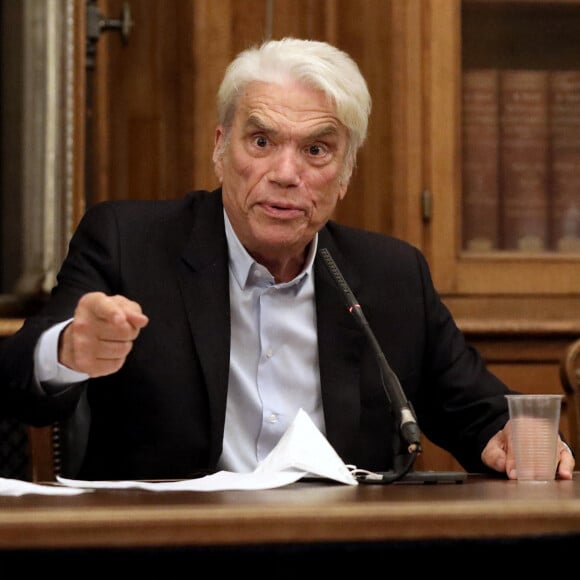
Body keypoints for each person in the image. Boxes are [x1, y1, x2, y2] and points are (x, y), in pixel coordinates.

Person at [0, 37, 573, 481]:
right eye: (261, 141)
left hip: (336, 551)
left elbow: (480, 411)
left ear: (345, 174)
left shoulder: (390, 275)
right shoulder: (129, 243)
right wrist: (69, 349)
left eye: (316, 149)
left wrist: (510, 438)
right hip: (169, 552)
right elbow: (15, 382)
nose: (285, 174)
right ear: (220, 150)